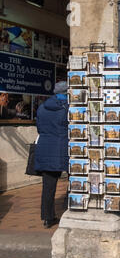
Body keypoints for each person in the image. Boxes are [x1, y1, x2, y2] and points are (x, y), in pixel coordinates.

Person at [35, 81, 69, 228]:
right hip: (62, 148)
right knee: (75, 181)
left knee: (48, 187)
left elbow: (39, 128)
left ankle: (48, 218)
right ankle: (71, 209)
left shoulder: (42, 107)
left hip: (45, 148)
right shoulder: (68, 107)